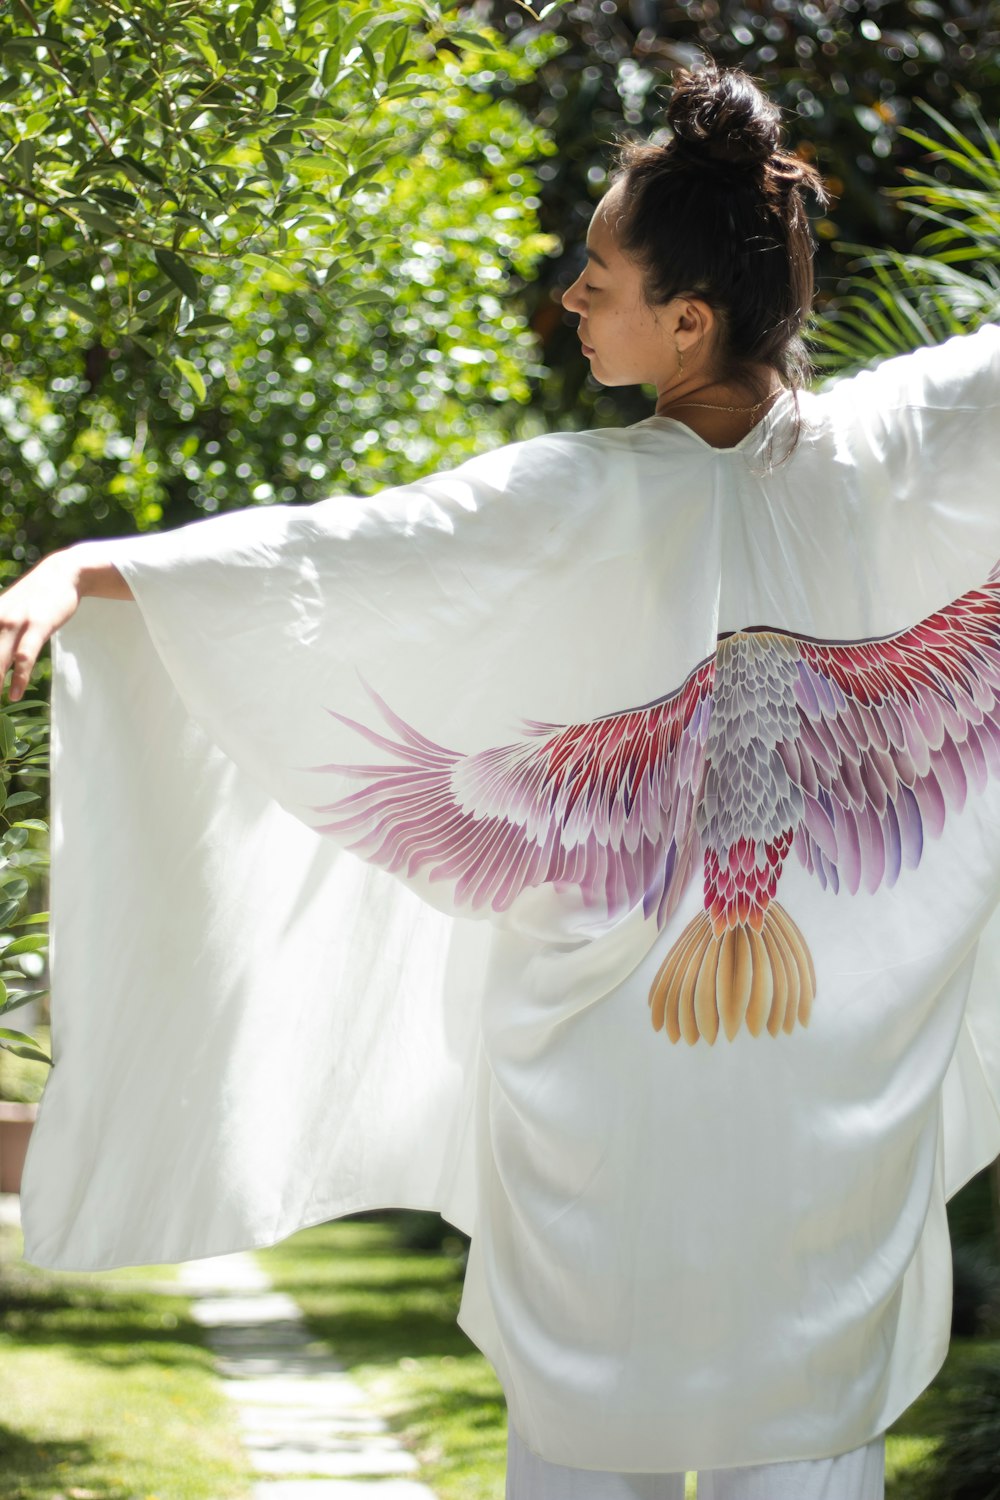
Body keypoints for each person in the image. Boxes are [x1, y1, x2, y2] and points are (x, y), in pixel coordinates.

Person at [4, 61, 1000, 1500]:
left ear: (689, 319)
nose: (571, 299)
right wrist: (89, 568)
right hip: (812, 1126)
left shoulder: (576, 501)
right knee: (809, 1444)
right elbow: (334, 559)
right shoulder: (905, 454)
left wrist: (89, 572)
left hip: (617, 1123)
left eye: (598, 273)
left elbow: (327, 567)